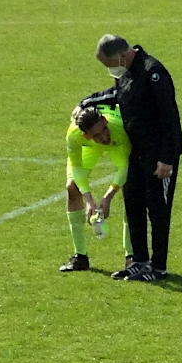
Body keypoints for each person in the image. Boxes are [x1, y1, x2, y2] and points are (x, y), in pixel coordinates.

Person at [90, 34, 182, 282]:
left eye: (109, 64)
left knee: (158, 209)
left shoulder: (153, 72)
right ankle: (139, 261)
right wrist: (86, 103)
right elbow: (116, 95)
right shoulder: (125, 73)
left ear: (122, 56)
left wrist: (167, 158)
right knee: (133, 204)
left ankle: (159, 266)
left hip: (158, 154)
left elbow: (169, 117)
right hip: (136, 151)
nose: (110, 70)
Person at [59, 103, 132, 274]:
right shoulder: (74, 135)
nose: (104, 137)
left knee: (131, 189)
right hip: (90, 148)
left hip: (118, 145)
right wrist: (89, 200)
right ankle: (80, 257)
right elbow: (76, 167)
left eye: (104, 129)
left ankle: (131, 256)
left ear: (105, 121)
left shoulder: (120, 129)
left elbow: (125, 168)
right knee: (72, 187)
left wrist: (108, 197)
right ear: (86, 136)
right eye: (97, 135)